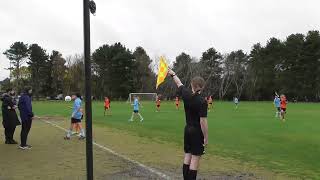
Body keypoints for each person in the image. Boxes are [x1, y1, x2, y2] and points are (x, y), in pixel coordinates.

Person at [168, 69, 208, 180]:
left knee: (187, 156)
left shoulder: (186, 95)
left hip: (187, 130)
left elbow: (178, 83)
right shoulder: (202, 101)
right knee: (195, 159)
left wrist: (173, 74)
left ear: (192, 85)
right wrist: (206, 137)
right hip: (196, 132)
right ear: (202, 87)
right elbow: (203, 122)